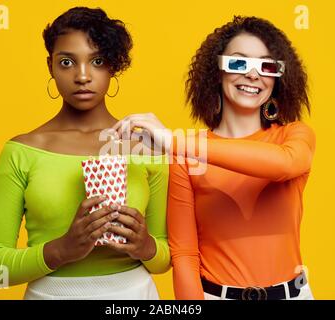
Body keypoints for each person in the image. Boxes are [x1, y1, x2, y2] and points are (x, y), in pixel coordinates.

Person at [112, 16, 316, 300]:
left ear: (278, 78)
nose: (253, 75)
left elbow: (285, 163)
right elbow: (184, 255)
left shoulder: (294, 135)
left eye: (266, 66)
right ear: (216, 72)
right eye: (238, 62)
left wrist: (174, 142)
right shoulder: (184, 154)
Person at [0, 6, 170, 300]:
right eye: (67, 62)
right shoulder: (22, 151)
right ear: (50, 66)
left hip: (134, 295)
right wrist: (62, 250)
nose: (82, 76)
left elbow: (167, 256)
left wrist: (146, 247)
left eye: (97, 61)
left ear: (113, 67)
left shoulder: (146, 148)